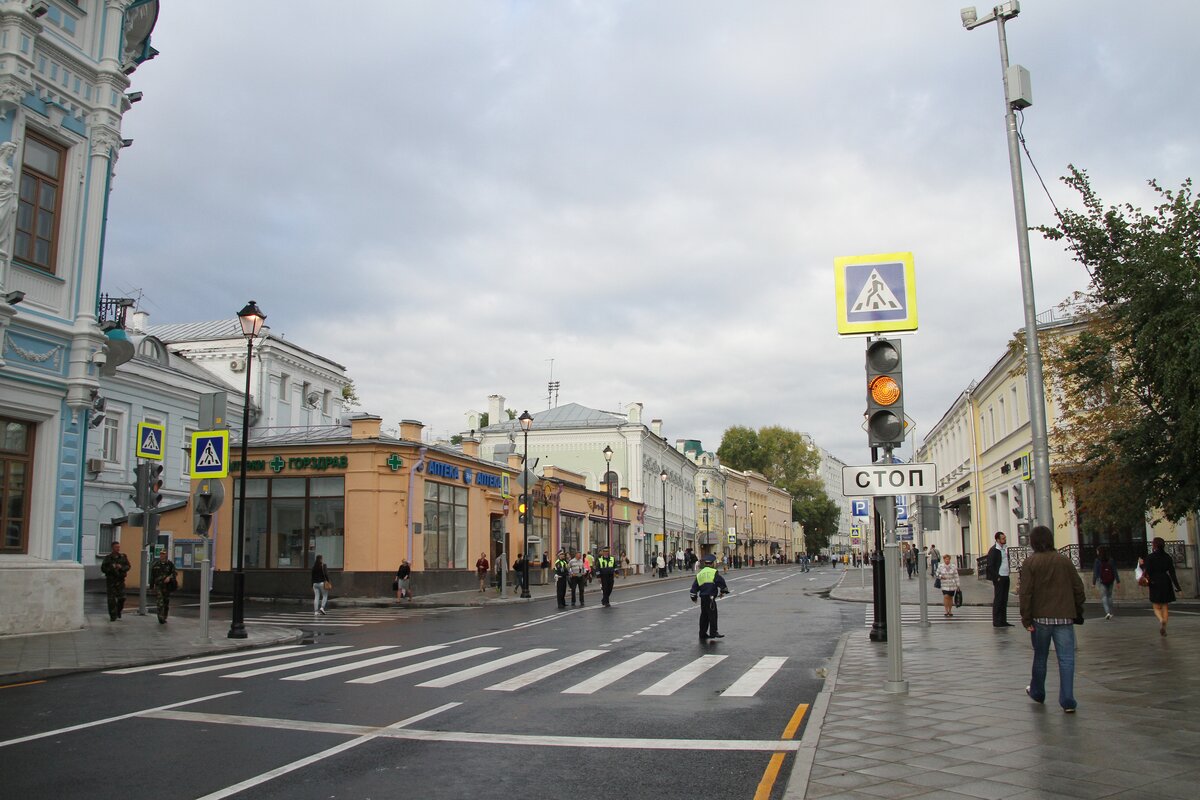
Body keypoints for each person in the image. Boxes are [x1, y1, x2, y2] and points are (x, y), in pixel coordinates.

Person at [1018, 525, 1085, 712]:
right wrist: (1077, 610)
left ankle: (1038, 692)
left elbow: (1026, 593)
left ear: (1033, 542)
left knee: (1040, 657)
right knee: (1067, 659)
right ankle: (1068, 700)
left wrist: (1026, 618)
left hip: (1040, 619)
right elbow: (1078, 588)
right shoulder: (1065, 561)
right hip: (1065, 617)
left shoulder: (1030, 562)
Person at [1140, 537, 1183, 636]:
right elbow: (1172, 573)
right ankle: (1164, 625)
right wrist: (1178, 587)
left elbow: (1148, 571)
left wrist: (1142, 565)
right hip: (1165, 580)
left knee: (1156, 606)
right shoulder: (1167, 557)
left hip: (1154, 582)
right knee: (1165, 606)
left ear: (1154, 545)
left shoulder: (1150, 557)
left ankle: (1161, 619)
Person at [690, 553, 729, 642]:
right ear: (712, 564)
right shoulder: (714, 572)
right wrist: (723, 591)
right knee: (712, 615)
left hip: (703, 598)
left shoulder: (700, 573)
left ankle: (702, 634)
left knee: (704, 616)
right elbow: (721, 582)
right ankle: (713, 632)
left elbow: (694, 587)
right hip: (711, 598)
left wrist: (694, 597)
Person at [985, 531, 1013, 627]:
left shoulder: (1005, 548)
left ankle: (1003, 620)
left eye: (1005, 538)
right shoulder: (994, 550)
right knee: (998, 599)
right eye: (1003, 538)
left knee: (1004, 599)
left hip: (1006, 575)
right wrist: (996, 577)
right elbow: (990, 566)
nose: (1005, 540)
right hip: (999, 577)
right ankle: (996, 621)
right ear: (997, 539)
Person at [100, 541, 131, 621]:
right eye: (116, 547)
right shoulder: (108, 558)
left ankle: (118, 611)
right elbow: (103, 569)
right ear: (112, 548)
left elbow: (128, 566)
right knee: (111, 600)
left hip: (120, 581)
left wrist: (121, 567)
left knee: (122, 598)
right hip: (111, 581)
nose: (118, 548)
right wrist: (111, 567)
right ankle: (113, 616)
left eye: (118, 547)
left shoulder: (123, 557)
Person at [149, 548, 177, 624]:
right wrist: (151, 586)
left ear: (166, 555)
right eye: (161, 554)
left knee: (166, 602)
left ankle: (164, 616)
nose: (162, 555)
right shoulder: (156, 564)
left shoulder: (170, 564)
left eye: (163, 554)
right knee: (160, 602)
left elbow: (174, 573)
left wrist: (169, 577)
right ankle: (160, 618)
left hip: (167, 587)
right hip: (159, 586)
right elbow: (152, 576)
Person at [1091, 546, 1120, 620]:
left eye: (1097, 551)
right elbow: (1114, 570)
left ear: (1099, 552)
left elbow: (1095, 572)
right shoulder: (1110, 560)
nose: (1096, 552)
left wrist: (1093, 582)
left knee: (1104, 596)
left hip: (1101, 580)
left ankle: (1107, 613)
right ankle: (1111, 612)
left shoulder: (1097, 560)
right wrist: (1117, 581)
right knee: (1109, 596)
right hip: (1110, 580)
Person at [935, 553, 959, 618]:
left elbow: (956, 576)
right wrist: (940, 577)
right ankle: (946, 610)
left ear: (950, 560)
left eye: (948, 559)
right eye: (946, 559)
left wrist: (958, 585)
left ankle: (950, 610)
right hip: (944, 584)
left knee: (950, 597)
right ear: (944, 560)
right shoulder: (940, 566)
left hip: (952, 584)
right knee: (946, 596)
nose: (947, 560)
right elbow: (936, 574)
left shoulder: (953, 566)